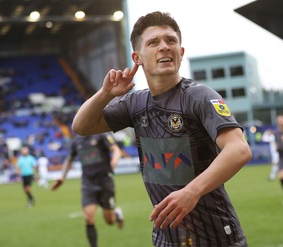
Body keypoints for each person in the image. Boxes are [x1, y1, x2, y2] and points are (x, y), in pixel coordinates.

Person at [71, 11, 252, 246]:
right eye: (154, 42)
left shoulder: (199, 96)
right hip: (167, 238)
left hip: (216, 236)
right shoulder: (135, 104)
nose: (164, 46)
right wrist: (105, 94)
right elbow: (81, 126)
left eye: (171, 40)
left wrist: (192, 191)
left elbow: (239, 149)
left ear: (181, 52)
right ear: (137, 58)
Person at [51, 132, 124, 247]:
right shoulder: (76, 141)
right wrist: (62, 177)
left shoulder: (101, 135)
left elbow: (116, 149)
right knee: (89, 219)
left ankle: (117, 214)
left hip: (105, 181)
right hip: (88, 184)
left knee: (109, 221)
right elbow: (69, 159)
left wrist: (115, 160)